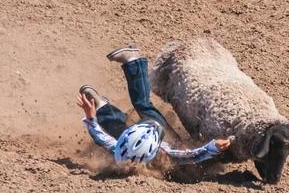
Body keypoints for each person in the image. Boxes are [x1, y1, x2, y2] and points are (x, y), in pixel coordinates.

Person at [77, 44, 231, 166]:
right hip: (164, 137)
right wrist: (212, 147)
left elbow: (101, 138)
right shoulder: (164, 152)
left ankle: (104, 103)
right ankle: (131, 64)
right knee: (142, 106)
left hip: (144, 134)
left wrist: (91, 117)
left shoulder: (120, 150)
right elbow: (190, 156)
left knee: (127, 119)